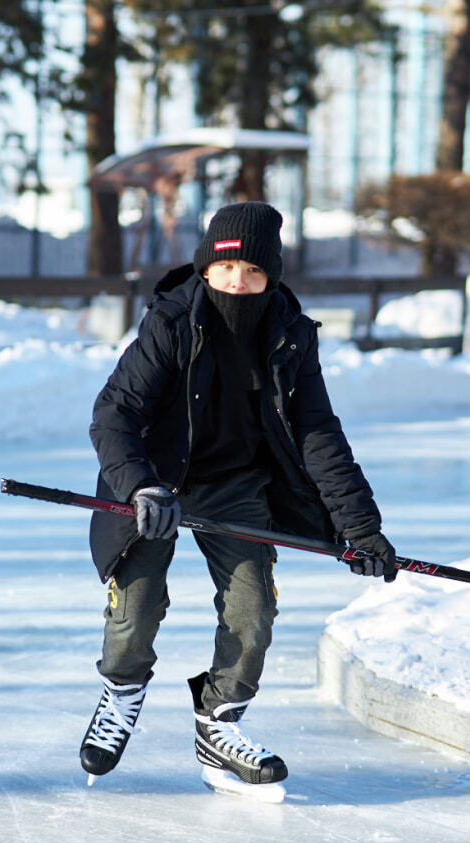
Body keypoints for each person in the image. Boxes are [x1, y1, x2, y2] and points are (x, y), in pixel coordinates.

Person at [79, 201, 397, 794]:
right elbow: (114, 413)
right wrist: (141, 486)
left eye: (253, 272)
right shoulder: (171, 322)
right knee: (138, 608)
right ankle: (121, 690)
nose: (237, 283)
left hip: (237, 485)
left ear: (271, 278)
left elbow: (317, 433)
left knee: (253, 612)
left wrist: (361, 526)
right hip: (156, 480)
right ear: (205, 269)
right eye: (226, 269)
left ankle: (219, 722)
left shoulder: (291, 337)